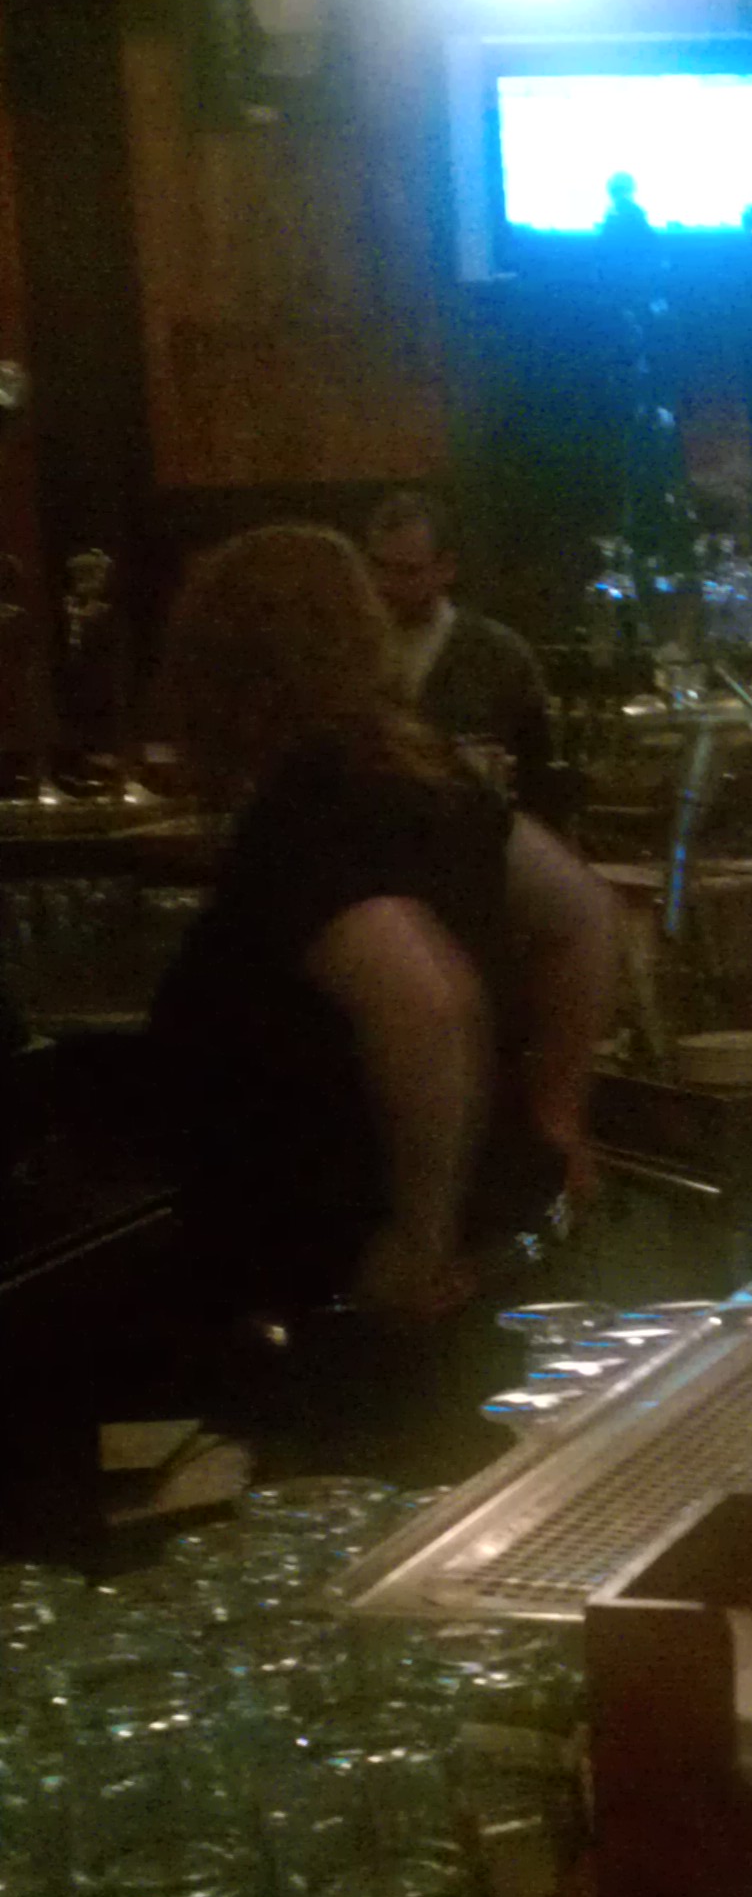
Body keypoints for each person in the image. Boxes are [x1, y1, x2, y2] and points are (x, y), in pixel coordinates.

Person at [150, 523, 618, 1337]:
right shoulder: (427, 775)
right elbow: (583, 916)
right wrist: (556, 1115)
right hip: (502, 1240)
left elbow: (425, 1005)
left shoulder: (305, 809)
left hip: (355, 1277)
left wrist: (416, 1238)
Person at [363, 487, 554, 812]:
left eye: (408, 571)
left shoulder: (498, 656)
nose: (386, 585)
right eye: (379, 567)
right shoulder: (349, 649)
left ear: (447, 568)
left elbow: (536, 777)